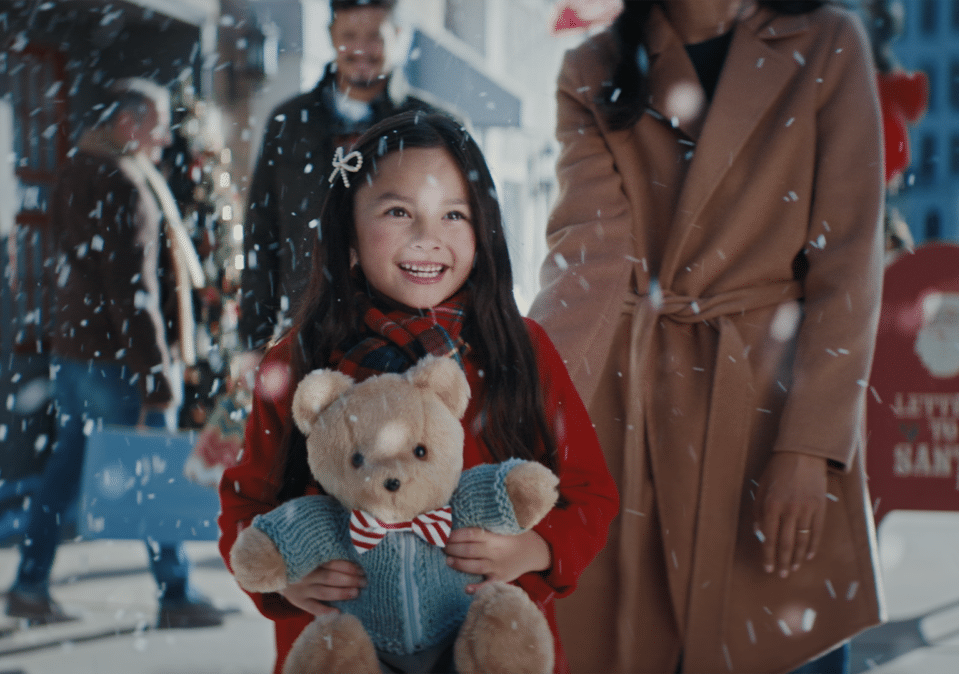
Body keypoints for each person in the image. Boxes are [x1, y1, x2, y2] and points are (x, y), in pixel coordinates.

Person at [528, 1, 886, 672]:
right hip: (632, 415)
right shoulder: (594, 66)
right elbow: (588, 260)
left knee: (776, 645)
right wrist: (523, 415)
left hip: (771, 408)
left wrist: (809, 448)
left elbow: (848, 264)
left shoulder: (829, 40)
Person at [218, 112, 618, 674]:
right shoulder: (298, 362)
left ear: (483, 231)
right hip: (344, 648)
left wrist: (538, 548)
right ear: (349, 232)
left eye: (454, 214)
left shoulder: (520, 351)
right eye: (399, 211)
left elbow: (591, 493)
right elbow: (244, 506)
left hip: (489, 649)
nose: (428, 237)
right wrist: (287, 581)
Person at [6, 78, 226, 629]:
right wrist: (157, 377)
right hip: (119, 361)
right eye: (155, 124)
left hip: (77, 353)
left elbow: (88, 273)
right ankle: (175, 595)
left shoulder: (76, 171)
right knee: (155, 472)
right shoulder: (124, 182)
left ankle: (29, 585)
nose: (165, 139)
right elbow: (133, 293)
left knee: (64, 469)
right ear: (128, 124)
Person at [238, 0, 434, 353]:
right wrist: (254, 340)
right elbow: (261, 232)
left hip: (406, 339)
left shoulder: (430, 126)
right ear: (331, 35)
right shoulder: (289, 123)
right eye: (349, 35)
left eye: (375, 36)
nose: (361, 49)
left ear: (400, 35)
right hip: (306, 333)